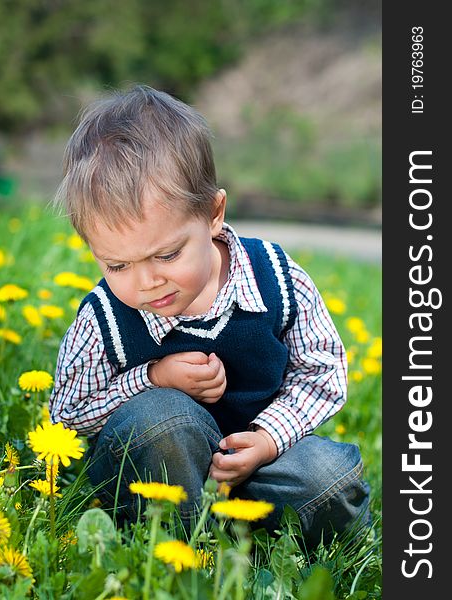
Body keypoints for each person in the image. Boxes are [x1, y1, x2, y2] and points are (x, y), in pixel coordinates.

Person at [49, 84, 370, 548]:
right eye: (117, 265)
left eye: (168, 254)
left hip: (257, 468)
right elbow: (67, 416)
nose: (145, 283)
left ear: (213, 214)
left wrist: (265, 439)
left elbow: (322, 370)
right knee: (162, 420)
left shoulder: (274, 277)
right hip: (156, 475)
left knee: (329, 477)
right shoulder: (104, 315)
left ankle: (259, 535)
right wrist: (151, 378)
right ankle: (173, 541)